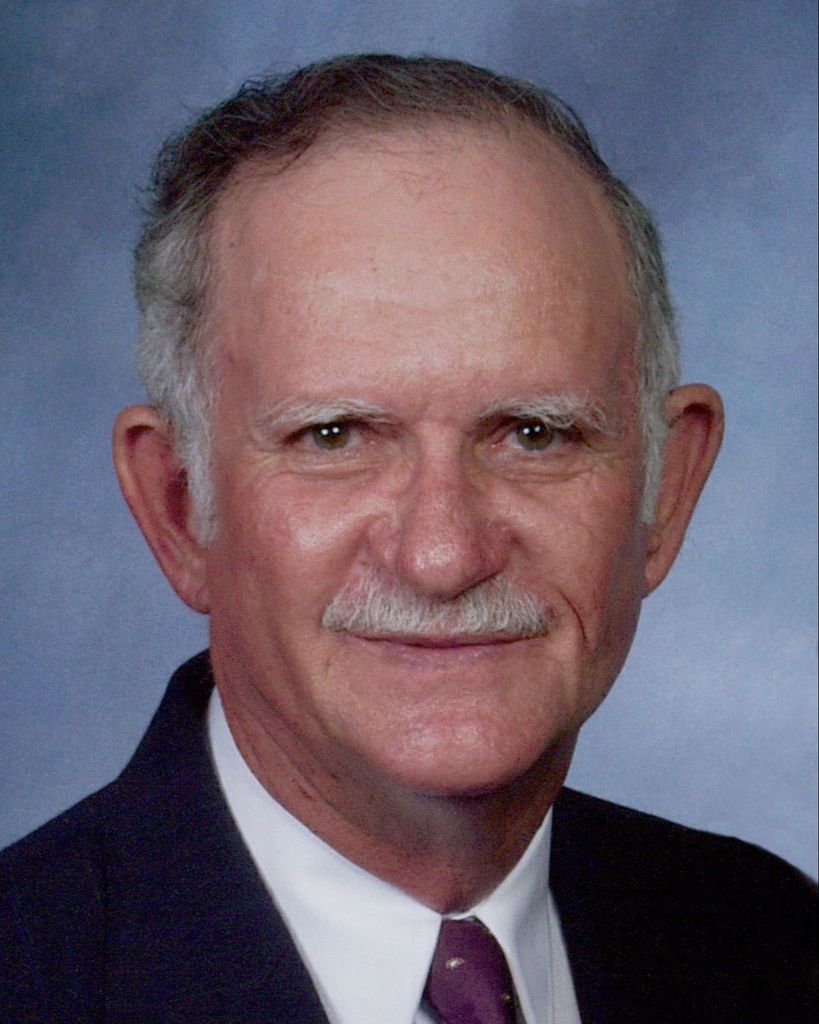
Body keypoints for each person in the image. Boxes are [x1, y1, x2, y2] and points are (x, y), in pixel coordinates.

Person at [0, 53, 814, 1024]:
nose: (442, 555)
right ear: (179, 508)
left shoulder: (775, 951)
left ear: (663, 494)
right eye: (334, 436)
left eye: (535, 434)